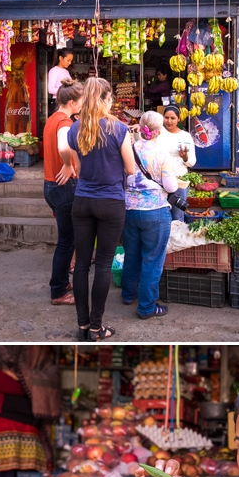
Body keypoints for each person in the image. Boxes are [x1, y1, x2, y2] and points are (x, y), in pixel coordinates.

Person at [64, 76, 138, 342]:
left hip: (82, 200)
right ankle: (97, 328)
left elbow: (78, 167)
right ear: (106, 98)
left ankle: (82, 326)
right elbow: (130, 169)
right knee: (104, 265)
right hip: (111, 202)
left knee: (82, 264)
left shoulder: (76, 128)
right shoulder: (118, 128)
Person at [121, 112, 180, 321]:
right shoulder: (162, 154)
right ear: (159, 130)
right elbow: (172, 186)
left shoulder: (127, 149)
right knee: (152, 260)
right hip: (155, 212)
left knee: (132, 255)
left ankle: (128, 295)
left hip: (128, 211)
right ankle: (146, 307)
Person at [42, 81, 84, 307]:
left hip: (50, 186)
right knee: (66, 243)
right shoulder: (65, 122)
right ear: (72, 102)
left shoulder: (51, 119)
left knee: (65, 240)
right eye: (81, 101)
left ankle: (61, 283)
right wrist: (68, 165)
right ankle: (58, 291)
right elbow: (62, 147)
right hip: (63, 187)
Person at [161, 106, 195, 221]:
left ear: (178, 119)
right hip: (160, 183)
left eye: (173, 118)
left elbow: (192, 162)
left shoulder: (185, 136)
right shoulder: (158, 133)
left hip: (179, 182)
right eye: (166, 117)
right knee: (162, 217)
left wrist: (185, 157)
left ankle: (176, 239)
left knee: (177, 217)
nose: (169, 121)